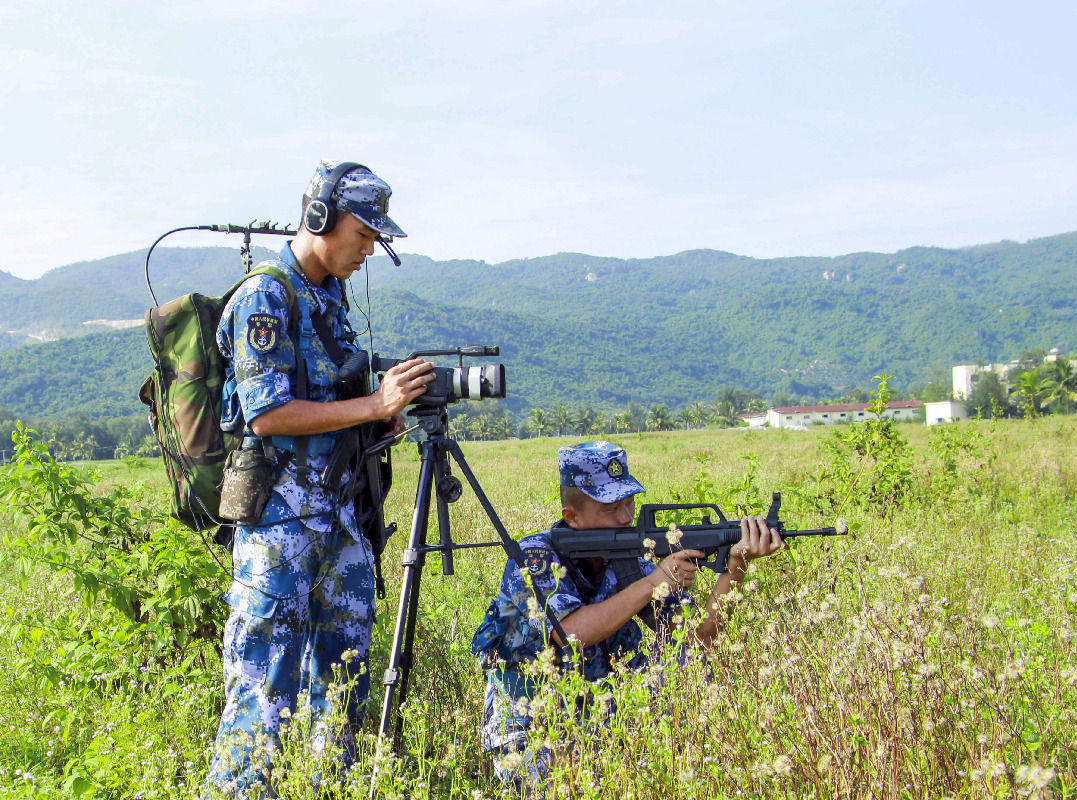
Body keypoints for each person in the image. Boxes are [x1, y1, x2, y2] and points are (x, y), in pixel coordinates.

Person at [205, 161, 435, 796]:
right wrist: (373, 406)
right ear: (319, 219)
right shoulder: (265, 296)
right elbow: (269, 412)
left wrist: (378, 423)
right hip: (281, 524)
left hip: (340, 516)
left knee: (346, 683)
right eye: (363, 236)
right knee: (263, 685)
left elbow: (331, 399)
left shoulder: (329, 296)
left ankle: (331, 786)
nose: (367, 252)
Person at [470, 441, 783, 789]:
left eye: (628, 502)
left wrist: (736, 566)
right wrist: (654, 582)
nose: (625, 516)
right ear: (570, 516)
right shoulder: (532, 557)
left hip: (607, 716)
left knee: (687, 662)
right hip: (532, 723)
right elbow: (572, 633)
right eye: (610, 507)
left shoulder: (633, 559)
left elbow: (697, 639)